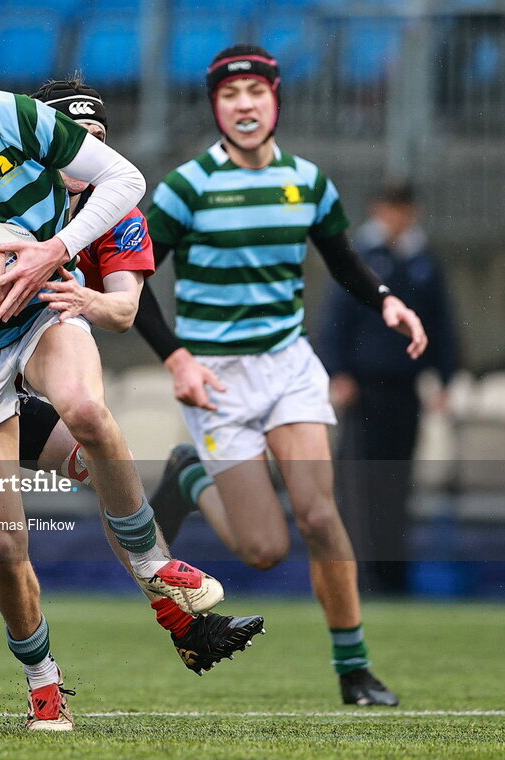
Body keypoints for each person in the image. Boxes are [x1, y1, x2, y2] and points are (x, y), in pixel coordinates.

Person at [0, 35, 232, 730]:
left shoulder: (11, 117)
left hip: (42, 308)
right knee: (3, 544)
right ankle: (42, 682)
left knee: (87, 410)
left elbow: (127, 183)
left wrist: (52, 253)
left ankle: (155, 567)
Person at [140, 44, 430, 707]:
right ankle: (190, 473)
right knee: (265, 549)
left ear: (275, 100)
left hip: (288, 366)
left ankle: (355, 670)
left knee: (321, 515)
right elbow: (131, 279)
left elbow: (344, 260)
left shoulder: (307, 181)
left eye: (256, 93)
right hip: (216, 378)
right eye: (230, 95)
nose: (245, 105)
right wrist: (177, 357)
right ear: (215, 106)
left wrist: (387, 301)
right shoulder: (187, 187)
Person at [316, 182, 458, 595]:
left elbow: (441, 325)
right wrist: (338, 372)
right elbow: (334, 321)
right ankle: (362, 576)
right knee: (361, 486)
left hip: (405, 389)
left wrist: (444, 378)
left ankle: (394, 576)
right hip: (363, 391)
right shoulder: (359, 257)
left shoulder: (423, 261)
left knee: (397, 483)